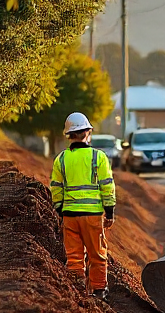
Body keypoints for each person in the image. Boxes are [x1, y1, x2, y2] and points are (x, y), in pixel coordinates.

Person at [49, 112, 116, 300]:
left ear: (69, 135)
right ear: (87, 132)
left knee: (74, 257)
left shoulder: (61, 159)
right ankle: (99, 291)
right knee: (97, 255)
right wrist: (109, 212)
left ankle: (76, 290)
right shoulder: (98, 157)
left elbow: (56, 188)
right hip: (92, 215)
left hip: (70, 215)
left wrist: (60, 211)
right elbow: (107, 185)